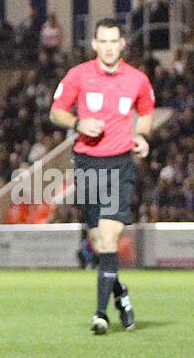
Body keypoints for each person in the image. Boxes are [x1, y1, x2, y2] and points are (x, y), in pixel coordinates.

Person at [48, 18, 154, 333]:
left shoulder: (138, 80)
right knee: (98, 243)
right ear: (95, 44)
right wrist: (78, 123)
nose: (108, 47)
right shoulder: (78, 75)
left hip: (120, 164)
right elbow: (56, 111)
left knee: (109, 238)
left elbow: (146, 112)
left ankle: (100, 315)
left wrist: (142, 135)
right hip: (86, 163)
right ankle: (120, 293)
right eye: (103, 42)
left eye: (114, 41)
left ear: (123, 44)